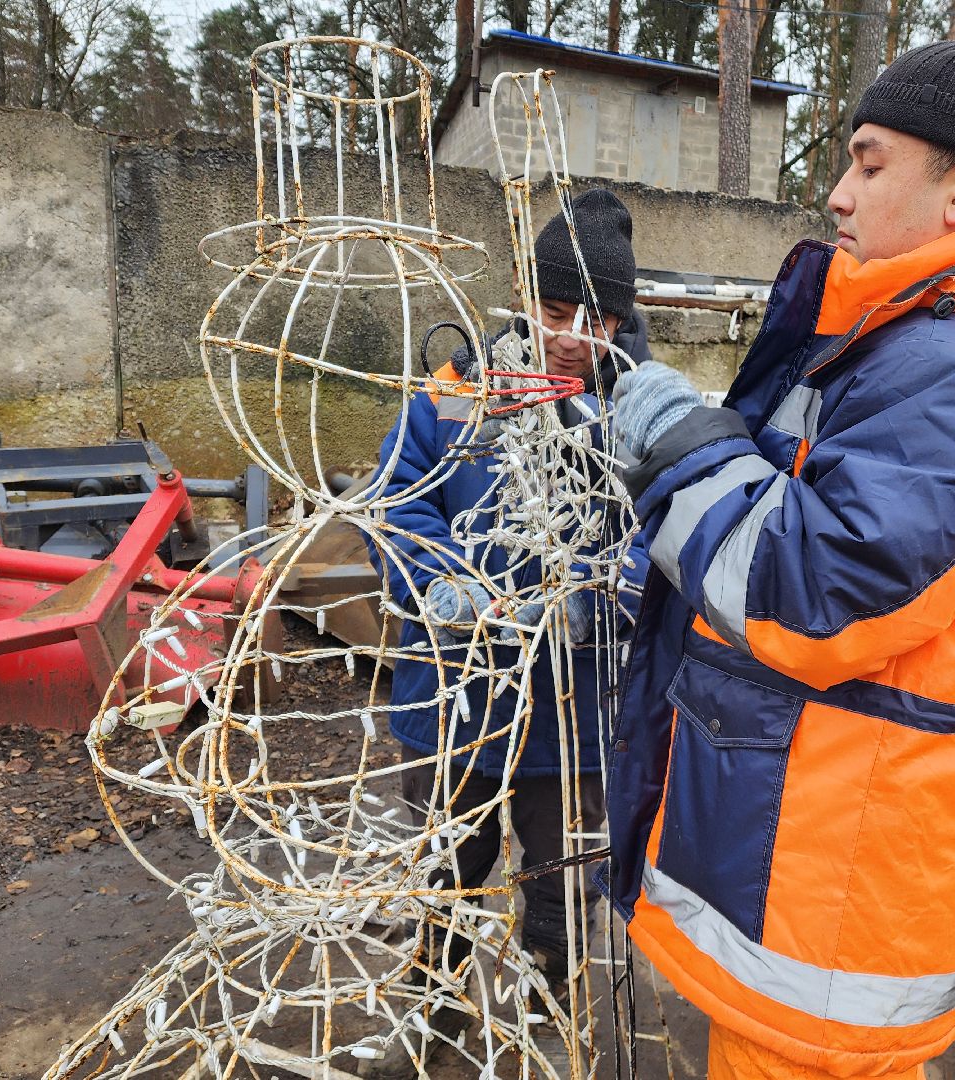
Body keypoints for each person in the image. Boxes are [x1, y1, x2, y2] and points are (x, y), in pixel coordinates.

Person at [601, 41, 955, 1080]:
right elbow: (802, 501)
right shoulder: (913, 343)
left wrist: (681, 453)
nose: (836, 196)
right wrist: (707, 445)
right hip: (816, 869)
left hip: (833, 893)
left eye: (869, 165)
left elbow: (810, 591)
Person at [366, 188, 651, 989]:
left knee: (562, 875)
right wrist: (442, 587)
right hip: (454, 697)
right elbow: (394, 498)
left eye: (595, 320)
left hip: (576, 707)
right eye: (554, 309)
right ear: (524, 297)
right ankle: (434, 1001)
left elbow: (666, 534)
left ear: (620, 320)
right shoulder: (461, 388)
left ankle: (547, 999)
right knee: (447, 867)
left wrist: (604, 597)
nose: (569, 339)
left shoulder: (640, 407)